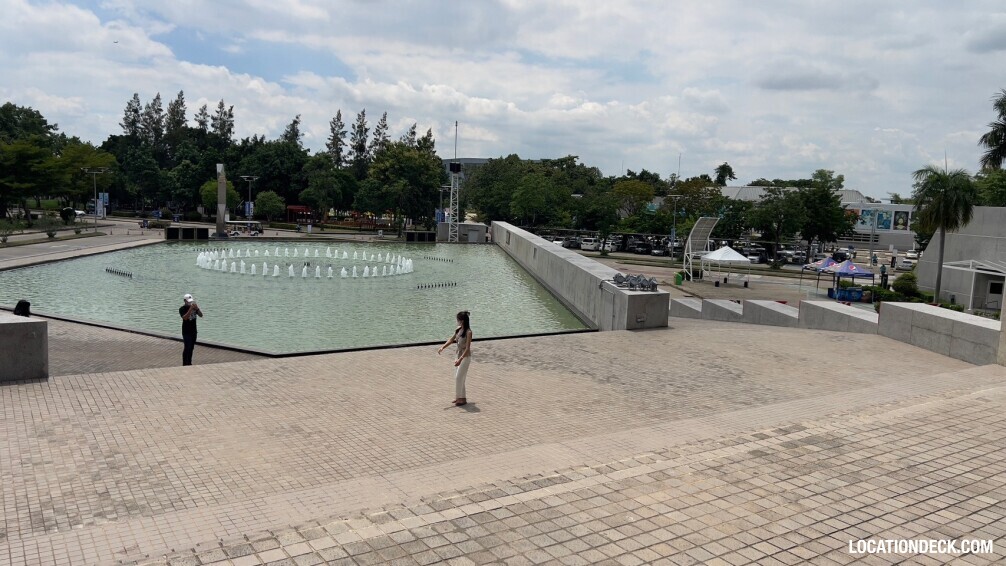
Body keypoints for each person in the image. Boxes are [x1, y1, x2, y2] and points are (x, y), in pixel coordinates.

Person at [437, 310, 472, 406]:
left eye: (458, 320)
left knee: (458, 377)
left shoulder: (469, 332)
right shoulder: (458, 330)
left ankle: (458, 398)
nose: (457, 321)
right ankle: (462, 399)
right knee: (461, 378)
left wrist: (460, 360)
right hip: (458, 355)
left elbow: (468, 348)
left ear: (463, 321)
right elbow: (451, 339)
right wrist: (443, 347)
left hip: (465, 357)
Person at [179, 293, 203, 366]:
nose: (190, 303)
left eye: (191, 301)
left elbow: (201, 315)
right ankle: (185, 363)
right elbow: (185, 318)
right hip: (186, 332)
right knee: (187, 347)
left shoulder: (194, 308)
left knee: (191, 348)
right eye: (188, 301)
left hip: (193, 331)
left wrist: (197, 308)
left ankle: (189, 363)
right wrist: (190, 309)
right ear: (185, 301)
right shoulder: (182, 309)